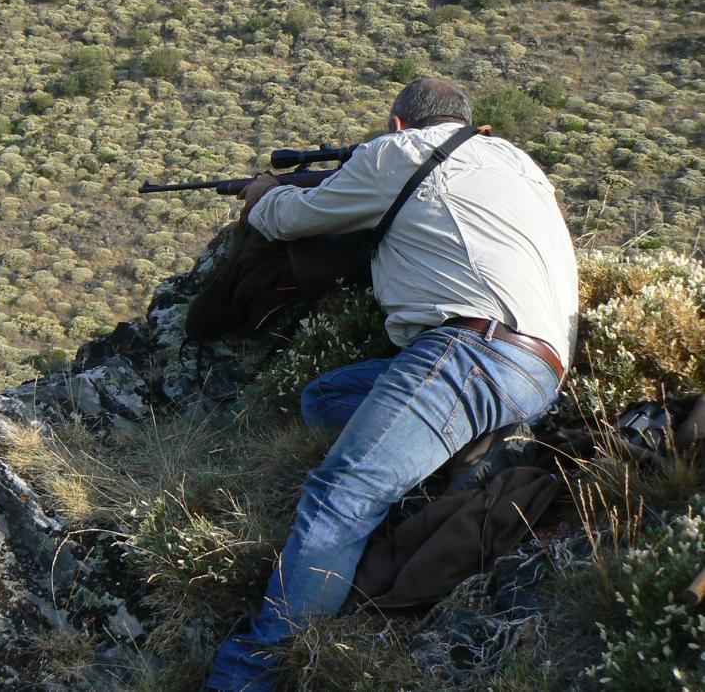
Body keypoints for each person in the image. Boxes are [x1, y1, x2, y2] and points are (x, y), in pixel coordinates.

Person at [204, 78, 579, 690]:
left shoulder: (398, 154)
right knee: (324, 397)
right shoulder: (518, 161)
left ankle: (256, 670)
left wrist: (263, 195)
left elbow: (296, 218)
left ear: (400, 124)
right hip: (543, 370)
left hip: (470, 352)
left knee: (341, 493)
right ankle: (470, 448)